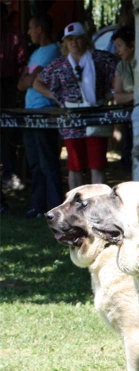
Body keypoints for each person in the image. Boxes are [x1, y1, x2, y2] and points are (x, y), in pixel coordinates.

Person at [33, 22, 118, 189]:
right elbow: (37, 82)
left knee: (97, 164)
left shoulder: (101, 59)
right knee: (75, 165)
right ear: (65, 42)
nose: (73, 43)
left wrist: (111, 94)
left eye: (77, 39)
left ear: (85, 40)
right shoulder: (58, 64)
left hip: (96, 116)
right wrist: (56, 96)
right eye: (69, 39)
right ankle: (74, 208)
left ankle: (99, 206)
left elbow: (119, 76)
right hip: (71, 118)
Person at [17, 14, 62, 219]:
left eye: (31, 28)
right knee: (35, 162)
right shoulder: (36, 53)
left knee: (47, 161)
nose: (28, 32)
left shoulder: (53, 51)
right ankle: (37, 205)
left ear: (40, 29)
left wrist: (29, 78)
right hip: (29, 110)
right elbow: (22, 83)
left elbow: (32, 79)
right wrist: (29, 78)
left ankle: (54, 208)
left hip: (45, 111)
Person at [0, 3, 27, 195]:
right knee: (7, 132)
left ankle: (10, 174)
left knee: (8, 132)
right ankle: (9, 174)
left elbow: (22, 64)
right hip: (9, 85)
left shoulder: (15, 35)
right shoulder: (15, 34)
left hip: (8, 86)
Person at [111, 26, 135, 169]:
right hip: (130, 119)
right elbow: (118, 96)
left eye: (120, 46)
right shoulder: (121, 66)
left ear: (132, 45)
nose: (117, 51)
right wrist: (136, 95)